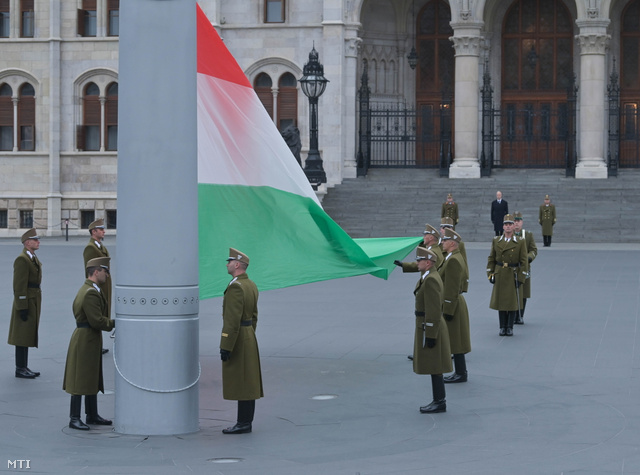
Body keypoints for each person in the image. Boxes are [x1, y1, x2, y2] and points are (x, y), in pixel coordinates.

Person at [63, 257, 115, 430]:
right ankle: (74, 417)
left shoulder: (90, 288)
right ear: (96, 271)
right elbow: (97, 321)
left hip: (89, 338)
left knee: (91, 375)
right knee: (80, 378)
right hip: (86, 338)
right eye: (105, 271)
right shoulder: (90, 292)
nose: (107, 275)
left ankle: (92, 414)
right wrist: (117, 322)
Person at [220, 248, 263, 434]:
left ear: (237, 264)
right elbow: (254, 316)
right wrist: (249, 334)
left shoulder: (236, 287)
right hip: (248, 336)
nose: (227, 264)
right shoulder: (250, 284)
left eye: (229, 261)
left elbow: (231, 320)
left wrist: (226, 345)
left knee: (242, 381)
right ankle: (245, 421)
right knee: (248, 380)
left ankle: (244, 423)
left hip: (238, 338)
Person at [411, 247, 452, 414]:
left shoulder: (431, 280)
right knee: (434, 365)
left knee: (435, 366)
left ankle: (439, 401)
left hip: (430, 325)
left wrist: (430, 334)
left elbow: (434, 310)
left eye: (419, 260)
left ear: (428, 263)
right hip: (427, 324)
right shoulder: (428, 276)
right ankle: (438, 400)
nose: (417, 263)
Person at [8, 228, 42, 379]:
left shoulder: (32, 257)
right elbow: (19, 285)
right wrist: (22, 305)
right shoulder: (22, 259)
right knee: (22, 336)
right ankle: (19, 368)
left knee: (27, 334)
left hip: (33, 299)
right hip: (26, 301)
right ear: (28, 243)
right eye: (35, 240)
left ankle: (24, 366)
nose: (38, 242)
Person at [487, 214, 528, 336]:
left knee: (511, 301)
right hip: (500, 272)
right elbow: (491, 258)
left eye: (510, 224)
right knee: (501, 302)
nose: (508, 227)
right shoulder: (496, 240)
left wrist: (521, 277)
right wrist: (490, 273)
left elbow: (524, 261)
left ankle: (509, 326)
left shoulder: (520, 241)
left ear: (513, 226)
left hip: (512, 273)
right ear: (503, 227)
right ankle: (502, 326)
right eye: (506, 224)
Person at [440, 228, 471, 383]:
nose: (442, 243)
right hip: (455, 302)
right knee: (457, 338)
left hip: (453, 303)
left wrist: (448, 309)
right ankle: (460, 371)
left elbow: (451, 287)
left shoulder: (453, 260)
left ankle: (461, 373)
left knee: (457, 339)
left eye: (445, 240)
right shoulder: (453, 256)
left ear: (452, 243)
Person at [83, 218, 111, 355]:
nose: (104, 231)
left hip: (105, 284)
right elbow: (88, 268)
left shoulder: (100, 246)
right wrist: (93, 286)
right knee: (96, 314)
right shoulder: (90, 248)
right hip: (98, 284)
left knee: (101, 312)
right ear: (94, 232)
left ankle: (99, 344)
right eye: (101, 229)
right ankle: (95, 344)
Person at [513, 211, 537, 324]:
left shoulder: (527, 235)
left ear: (522, 222)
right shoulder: (508, 234)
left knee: (524, 292)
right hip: (512, 267)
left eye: (518, 221)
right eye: (514, 221)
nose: (516, 223)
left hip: (524, 267)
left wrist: (528, 258)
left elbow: (533, 250)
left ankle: (520, 315)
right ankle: (513, 315)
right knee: (511, 291)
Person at [439, 217, 469, 292]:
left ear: (452, 229)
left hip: (450, 280)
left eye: (449, 227)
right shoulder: (435, 244)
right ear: (440, 229)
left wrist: (464, 283)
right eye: (444, 227)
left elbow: (463, 263)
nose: (446, 229)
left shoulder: (459, 244)